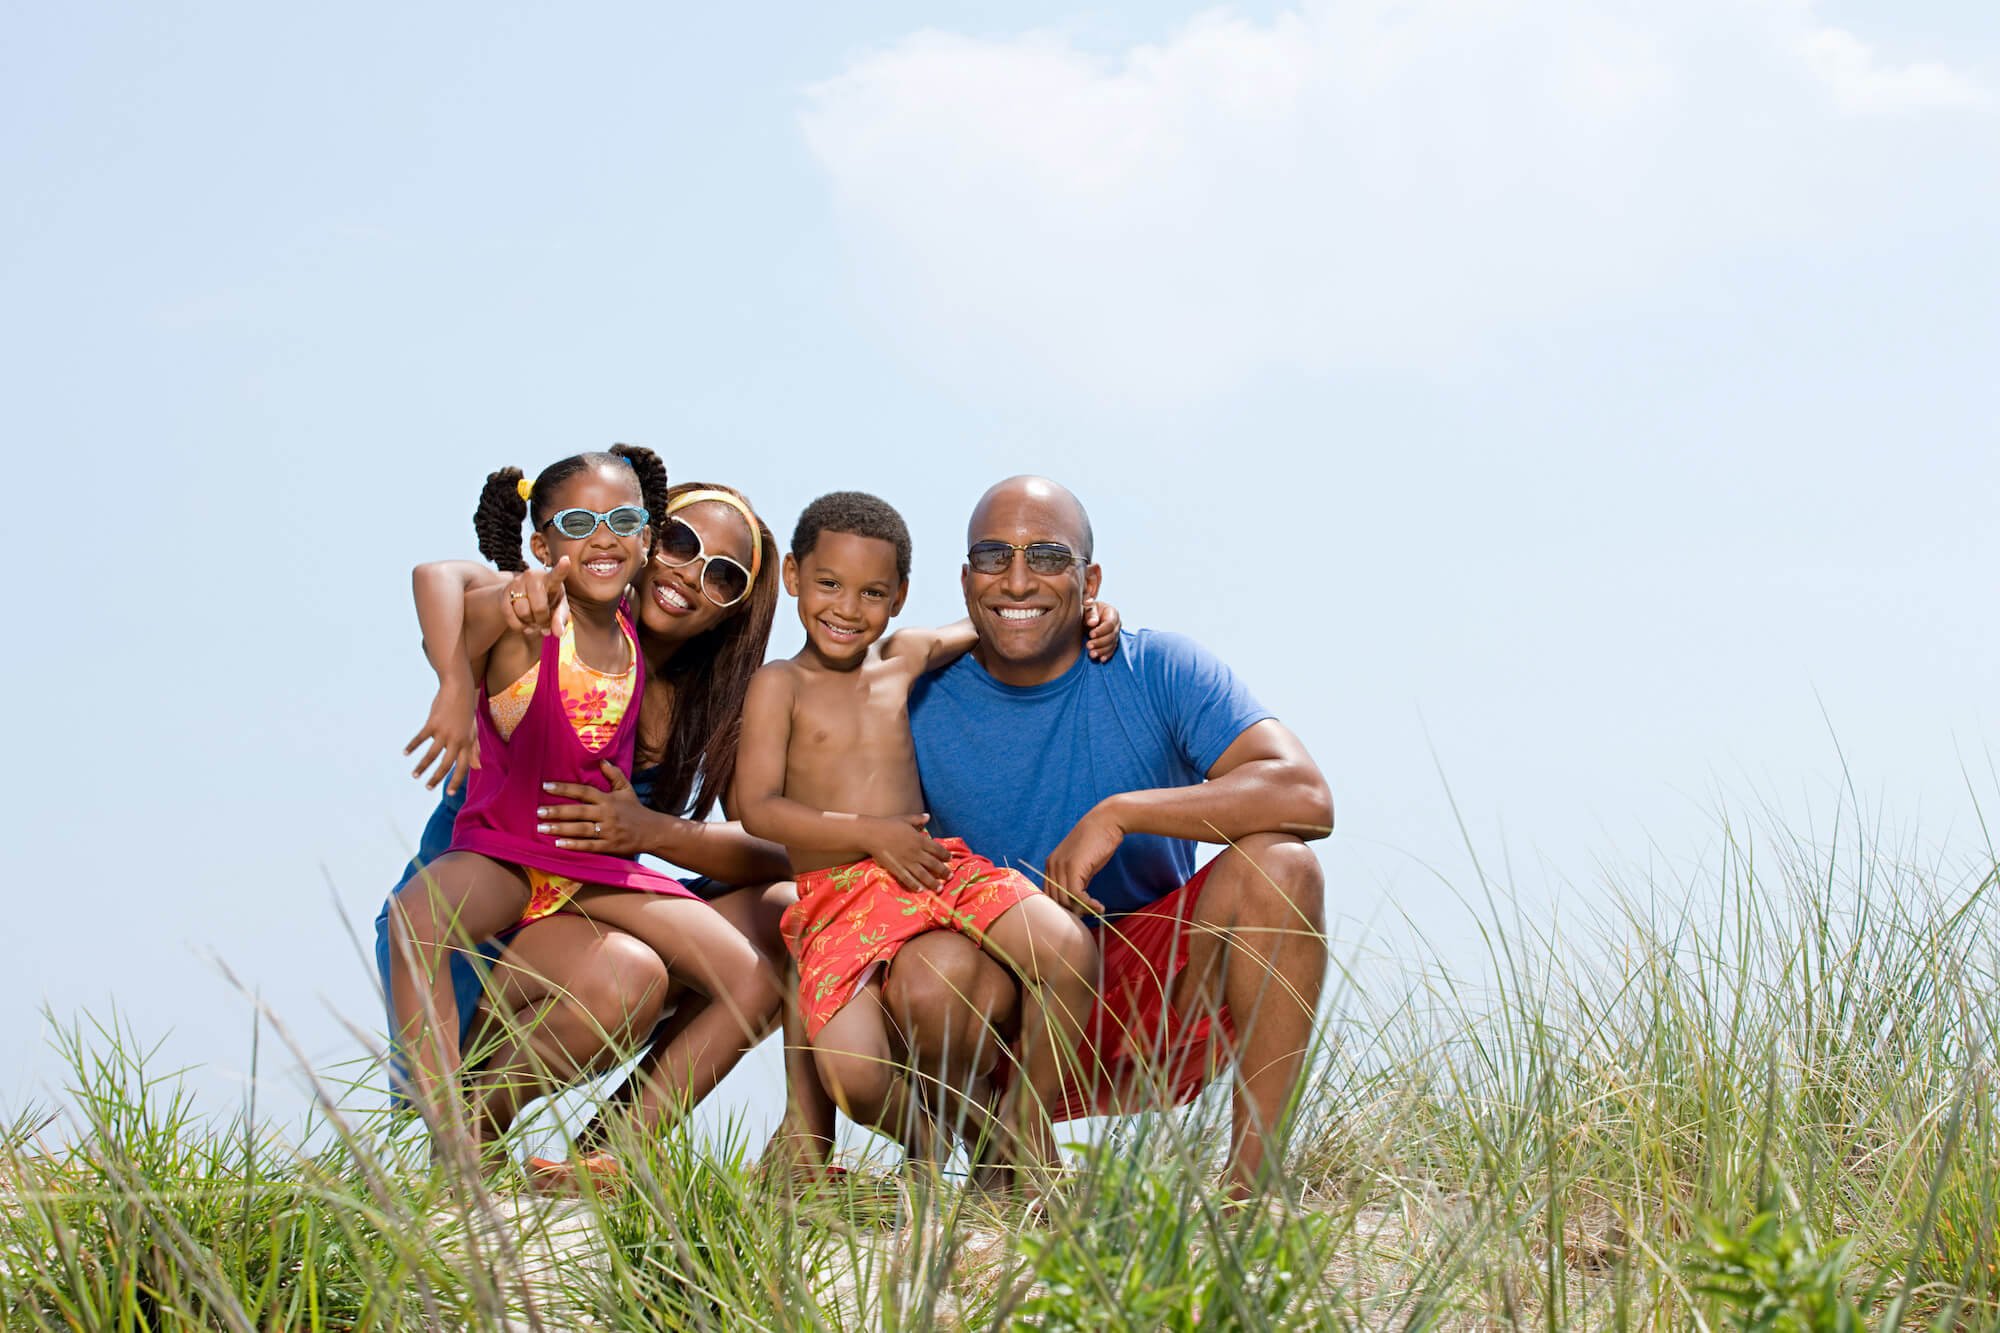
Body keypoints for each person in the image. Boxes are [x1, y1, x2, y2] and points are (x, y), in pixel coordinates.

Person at [890, 475, 1334, 1197]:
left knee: (1284, 864)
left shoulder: (1156, 667)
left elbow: (1306, 794)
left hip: (1152, 997)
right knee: (925, 967)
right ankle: (1010, 1164)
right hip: (999, 1014)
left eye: (1048, 557)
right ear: (966, 580)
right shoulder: (913, 693)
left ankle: (1254, 1192)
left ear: (1089, 578)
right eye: (995, 557)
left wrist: (1123, 811)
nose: (1019, 577)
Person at [382, 451, 782, 1170]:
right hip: (491, 889)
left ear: (736, 605)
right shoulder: (549, 609)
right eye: (684, 544)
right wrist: (452, 680)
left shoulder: (711, 702)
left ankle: (611, 1158)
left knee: (774, 925)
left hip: (583, 884)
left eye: (724, 574)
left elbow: (776, 844)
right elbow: (445, 583)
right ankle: (459, 1146)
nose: (693, 573)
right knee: (617, 967)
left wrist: (651, 830)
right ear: (655, 538)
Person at [732, 492, 1116, 1183]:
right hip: (839, 896)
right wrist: (870, 834)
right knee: (856, 1076)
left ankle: (1026, 1131)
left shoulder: (902, 656)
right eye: (828, 585)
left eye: (872, 592)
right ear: (792, 575)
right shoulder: (778, 685)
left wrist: (1087, 613)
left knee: (1066, 949)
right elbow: (757, 808)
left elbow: (996, 623)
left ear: (901, 595)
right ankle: (941, 1141)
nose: (848, 608)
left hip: (930, 871)